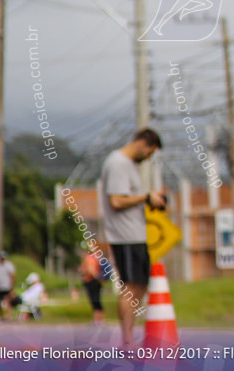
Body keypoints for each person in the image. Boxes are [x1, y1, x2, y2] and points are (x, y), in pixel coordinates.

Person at [100, 128, 165, 346]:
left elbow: (128, 198)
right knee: (130, 285)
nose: (149, 158)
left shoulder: (128, 166)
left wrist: (148, 201)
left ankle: (130, 336)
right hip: (124, 236)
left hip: (135, 234)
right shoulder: (118, 163)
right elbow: (116, 201)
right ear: (141, 144)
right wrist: (145, 196)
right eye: (150, 152)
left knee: (139, 285)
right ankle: (127, 340)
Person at [78, 246, 105, 325]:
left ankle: (98, 320)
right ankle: (98, 319)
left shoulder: (89, 258)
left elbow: (91, 271)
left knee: (95, 300)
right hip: (95, 281)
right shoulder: (95, 258)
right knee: (95, 300)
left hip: (92, 281)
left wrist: (83, 271)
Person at [0, 252, 16, 321]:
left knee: (7, 302)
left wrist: (11, 287)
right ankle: (0, 315)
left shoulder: (9, 266)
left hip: (6, 286)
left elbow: (12, 276)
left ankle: (8, 316)